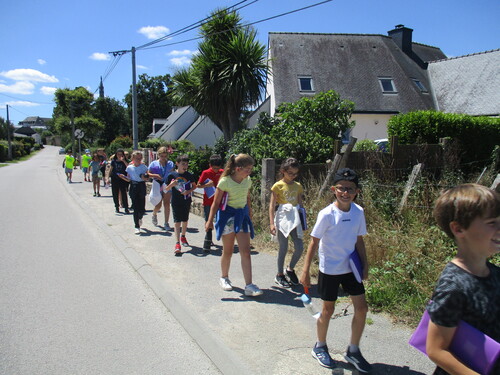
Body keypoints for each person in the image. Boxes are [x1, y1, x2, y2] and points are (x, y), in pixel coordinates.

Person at [300, 168, 371, 372]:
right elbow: (314, 242)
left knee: (362, 308)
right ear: (334, 190)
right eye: (341, 188)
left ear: (356, 191)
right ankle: (320, 346)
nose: (345, 193)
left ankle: (353, 350)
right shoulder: (327, 214)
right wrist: (305, 271)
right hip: (330, 268)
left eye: (350, 189)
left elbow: (359, 240)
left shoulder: (359, 212)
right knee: (328, 310)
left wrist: (365, 264)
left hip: (351, 268)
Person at [426, 183, 499, 375]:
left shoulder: (495, 273)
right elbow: (436, 349)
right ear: (459, 229)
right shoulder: (453, 285)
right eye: (492, 222)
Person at [205, 154, 263, 297]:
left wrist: (249, 212)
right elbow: (216, 203)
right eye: (247, 169)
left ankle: (249, 285)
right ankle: (224, 277)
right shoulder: (224, 181)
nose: (250, 172)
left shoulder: (247, 180)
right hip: (227, 217)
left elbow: (247, 197)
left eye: (250, 169)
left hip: (241, 217)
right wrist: (210, 220)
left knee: (246, 251)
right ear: (238, 169)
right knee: (228, 251)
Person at [269, 157, 304, 287]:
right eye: (290, 173)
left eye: (295, 174)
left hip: (295, 219)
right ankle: (279, 274)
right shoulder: (277, 186)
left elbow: (300, 205)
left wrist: (303, 221)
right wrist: (272, 223)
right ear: (283, 171)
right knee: (283, 248)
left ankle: (290, 269)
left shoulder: (298, 186)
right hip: (282, 218)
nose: (293, 176)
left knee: (300, 247)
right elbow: (272, 206)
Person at [165, 154, 197, 256]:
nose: (185, 166)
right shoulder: (172, 175)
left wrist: (188, 192)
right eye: (183, 164)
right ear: (177, 164)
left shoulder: (189, 175)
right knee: (176, 221)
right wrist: (172, 184)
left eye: (186, 164)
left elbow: (194, 186)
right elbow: (166, 189)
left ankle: (183, 236)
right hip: (176, 201)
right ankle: (177, 243)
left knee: (185, 219)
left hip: (186, 200)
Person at [197, 154, 224, 253]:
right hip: (208, 201)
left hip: (220, 201)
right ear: (210, 165)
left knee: (219, 220)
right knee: (208, 220)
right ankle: (208, 237)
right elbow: (198, 185)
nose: (216, 170)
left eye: (218, 168)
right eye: (214, 168)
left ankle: (213, 235)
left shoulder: (222, 172)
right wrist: (207, 185)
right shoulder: (206, 172)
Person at [121, 151, 149, 234]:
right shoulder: (129, 167)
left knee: (142, 208)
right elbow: (129, 178)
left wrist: (145, 177)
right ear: (133, 158)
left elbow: (147, 177)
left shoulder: (144, 167)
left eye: (140, 158)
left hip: (141, 185)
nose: (139, 160)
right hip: (133, 186)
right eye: (137, 158)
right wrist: (123, 177)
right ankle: (136, 225)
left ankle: (140, 217)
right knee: (135, 207)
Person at [148, 146, 175, 231]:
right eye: (162, 156)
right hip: (157, 185)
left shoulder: (170, 163)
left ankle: (166, 223)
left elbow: (173, 174)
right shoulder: (154, 163)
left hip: (167, 185)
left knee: (167, 204)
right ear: (158, 155)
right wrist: (155, 175)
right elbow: (148, 173)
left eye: (165, 156)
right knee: (158, 205)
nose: (163, 158)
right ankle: (154, 214)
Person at [110, 149, 130, 214]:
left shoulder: (125, 161)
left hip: (123, 179)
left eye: (121, 154)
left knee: (124, 193)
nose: (119, 155)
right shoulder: (113, 161)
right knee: (115, 193)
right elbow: (110, 169)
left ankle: (126, 207)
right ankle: (117, 207)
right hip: (114, 178)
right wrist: (107, 178)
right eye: (118, 154)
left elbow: (128, 167)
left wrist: (123, 161)